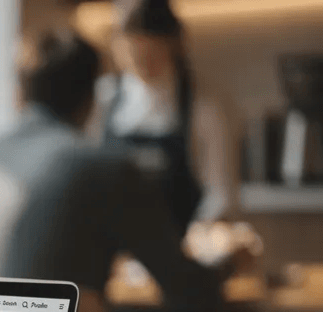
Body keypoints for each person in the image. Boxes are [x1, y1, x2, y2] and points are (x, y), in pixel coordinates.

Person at [0, 28, 227, 312]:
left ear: (19, 93)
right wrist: (228, 264)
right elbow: (186, 288)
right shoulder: (104, 168)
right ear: (91, 98)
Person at [100, 0, 238, 233]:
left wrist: (201, 233)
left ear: (173, 45)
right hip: (113, 248)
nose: (143, 62)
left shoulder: (202, 106)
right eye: (133, 53)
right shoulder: (103, 99)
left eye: (152, 53)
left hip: (179, 246)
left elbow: (221, 193)